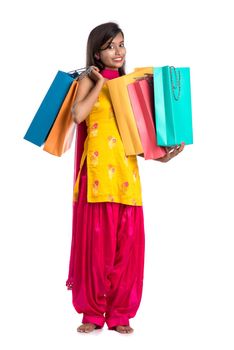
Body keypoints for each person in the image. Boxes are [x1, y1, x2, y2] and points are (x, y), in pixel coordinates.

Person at [65, 22, 185, 334]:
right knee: (97, 248)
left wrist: (163, 155)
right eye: (111, 47)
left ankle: (119, 314)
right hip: (96, 179)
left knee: (126, 248)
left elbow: (138, 135)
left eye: (121, 44)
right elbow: (78, 115)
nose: (118, 52)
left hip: (126, 177)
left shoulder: (133, 85)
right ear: (97, 52)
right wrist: (101, 84)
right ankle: (92, 312)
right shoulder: (87, 82)